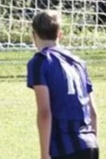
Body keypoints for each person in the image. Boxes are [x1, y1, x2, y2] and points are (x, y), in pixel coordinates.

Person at [27, 10, 99, 159]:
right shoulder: (78, 63)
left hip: (65, 147)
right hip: (90, 144)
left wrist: (44, 154)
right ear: (60, 34)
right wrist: (94, 142)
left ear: (33, 35)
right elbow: (92, 112)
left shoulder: (40, 62)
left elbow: (45, 112)